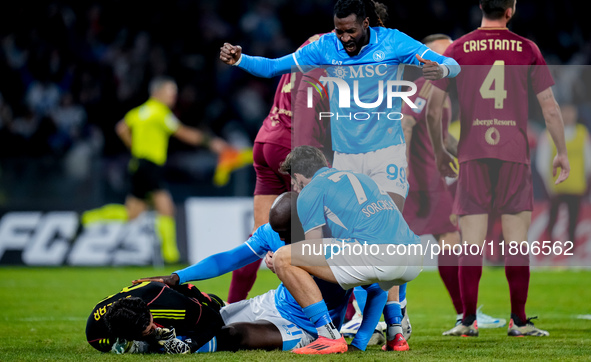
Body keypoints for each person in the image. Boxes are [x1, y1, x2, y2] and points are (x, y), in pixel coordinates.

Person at [220, 0, 459, 348]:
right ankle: (371, 323)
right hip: (345, 159)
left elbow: (451, 66)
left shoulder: (393, 41)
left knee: (386, 236)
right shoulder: (325, 47)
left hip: (385, 153)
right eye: (338, 31)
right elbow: (273, 67)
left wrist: (439, 68)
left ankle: (394, 326)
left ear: (366, 24)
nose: (343, 38)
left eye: (349, 31)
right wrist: (241, 60)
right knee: (352, 242)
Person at [426, 0, 570, 337]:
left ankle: (467, 320)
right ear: (510, 10)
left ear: (481, 7)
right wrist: (562, 152)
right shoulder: (527, 49)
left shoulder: (458, 49)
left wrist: (442, 149)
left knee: (470, 243)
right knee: (517, 244)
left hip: (472, 155)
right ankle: (518, 321)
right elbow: (549, 108)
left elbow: (432, 109)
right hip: (513, 156)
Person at [132, 192, 387, 353]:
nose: (281, 238)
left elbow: (376, 289)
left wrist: (360, 343)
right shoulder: (273, 232)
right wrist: (178, 276)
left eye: (286, 233)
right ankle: (145, 338)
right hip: (272, 303)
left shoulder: (339, 242)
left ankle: (158, 348)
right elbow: (229, 259)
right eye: (278, 232)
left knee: (234, 335)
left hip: (306, 327)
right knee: (208, 319)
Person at [272, 145, 423, 354]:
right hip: (413, 256)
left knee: (283, 258)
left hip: (378, 257)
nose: (295, 190)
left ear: (298, 176)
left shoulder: (311, 191)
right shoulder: (361, 178)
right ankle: (395, 332)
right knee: (381, 266)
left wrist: (284, 262)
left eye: (294, 184)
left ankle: (328, 335)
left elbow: (313, 250)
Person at [81, 76, 248, 264]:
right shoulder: (160, 112)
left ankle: (88, 219)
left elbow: (121, 128)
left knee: (132, 214)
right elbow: (183, 132)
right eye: (170, 92)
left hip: (139, 165)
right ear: (158, 93)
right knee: (166, 208)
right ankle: (171, 257)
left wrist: (136, 148)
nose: (173, 96)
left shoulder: (141, 111)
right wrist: (212, 143)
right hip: (150, 166)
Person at [401, 34, 505, 329]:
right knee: (449, 241)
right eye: (443, 53)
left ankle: (362, 315)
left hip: (426, 179)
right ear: (424, 59)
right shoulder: (424, 87)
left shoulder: (440, 90)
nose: (451, 57)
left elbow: (442, 136)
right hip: (422, 181)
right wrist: (404, 169)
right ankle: (465, 314)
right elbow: (406, 123)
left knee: (401, 246)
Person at [227, 33, 332, 304]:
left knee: (259, 235)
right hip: (291, 144)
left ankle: (232, 305)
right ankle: (343, 314)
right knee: (325, 232)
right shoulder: (332, 59)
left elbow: (271, 68)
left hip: (266, 139)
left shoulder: (305, 50)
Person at [86, 280, 226, 354]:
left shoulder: (169, 306)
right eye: (147, 331)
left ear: (150, 313)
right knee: (157, 344)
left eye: (151, 325)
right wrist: (149, 343)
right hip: (151, 297)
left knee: (222, 318)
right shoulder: (95, 332)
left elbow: (215, 319)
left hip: (188, 299)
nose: (153, 327)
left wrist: (191, 344)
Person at [536, 103, 591, 246]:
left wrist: (585, 182)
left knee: (573, 220)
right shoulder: (549, 134)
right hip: (556, 187)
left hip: (576, 186)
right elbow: (542, 163)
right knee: (552, 219)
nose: (568, 116)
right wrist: (548, 186)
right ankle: (547, 250)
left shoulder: (582, 133)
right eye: (564, 112)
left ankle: (570, 252)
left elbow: (588, 160)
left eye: (571, 112)